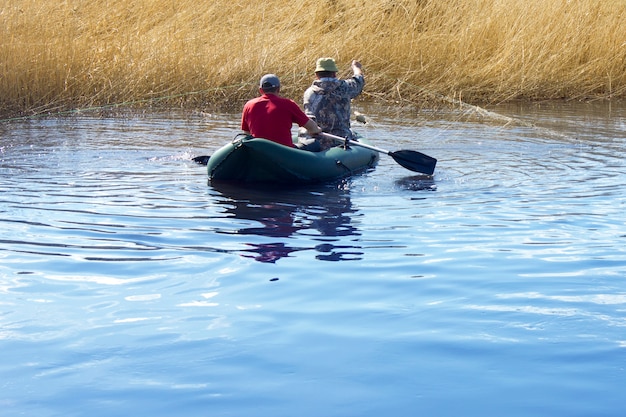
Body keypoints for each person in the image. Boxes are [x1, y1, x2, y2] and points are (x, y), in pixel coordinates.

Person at [241, 74, 321, 148]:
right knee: (315, 144)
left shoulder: (248, 105)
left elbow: (247, 134)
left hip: (258, 150)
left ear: (261, 90)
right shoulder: (288, 104)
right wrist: (317, 130)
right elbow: (312, 128)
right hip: (285, 152)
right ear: (278, 89)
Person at [301, 58, 364, 150]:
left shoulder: (309, 93)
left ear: (316, 75)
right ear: (334, 73)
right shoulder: (346, 87)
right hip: (341, 139)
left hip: (316, 142)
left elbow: (309, 120)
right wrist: (356, 67)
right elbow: (359, 80)